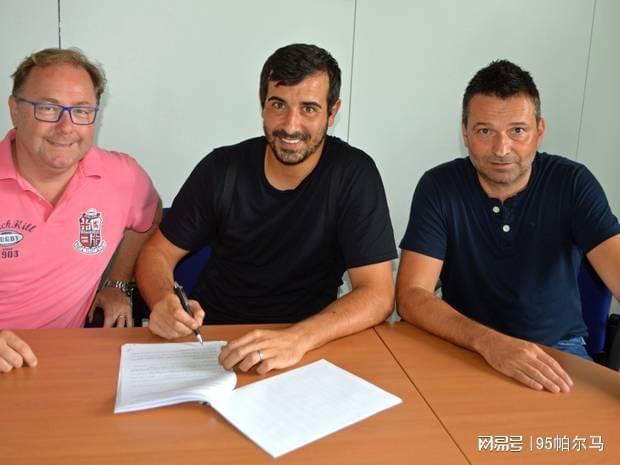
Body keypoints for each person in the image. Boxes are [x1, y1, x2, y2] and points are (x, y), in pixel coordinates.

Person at [136, 43, 396, 374]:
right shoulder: (222, 169)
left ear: (332, 113)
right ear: (262, 106)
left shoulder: (353, 174)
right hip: (215, 342)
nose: (290, 125)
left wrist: (298, 339)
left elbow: (378, 293)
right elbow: (156, 253)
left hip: (309, 344)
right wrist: (163, 300)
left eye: (309, 109)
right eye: (278, 104)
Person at [396, 59, 620, 393]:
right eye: (485, 131)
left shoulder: (572, 183)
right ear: (465, 132)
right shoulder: (439, 186)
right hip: (465, 346)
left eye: (517, 131)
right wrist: (489, 343)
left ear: (539, 132)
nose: (501, 150)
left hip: (557, 352)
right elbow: (411, 296)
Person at [0, 48, 161, 373]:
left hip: (62, 364)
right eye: (48, 108)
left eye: (82, 110)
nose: (66, 126)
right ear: (15, 110)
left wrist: (117, 282)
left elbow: (150, 217)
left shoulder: (121, 177)